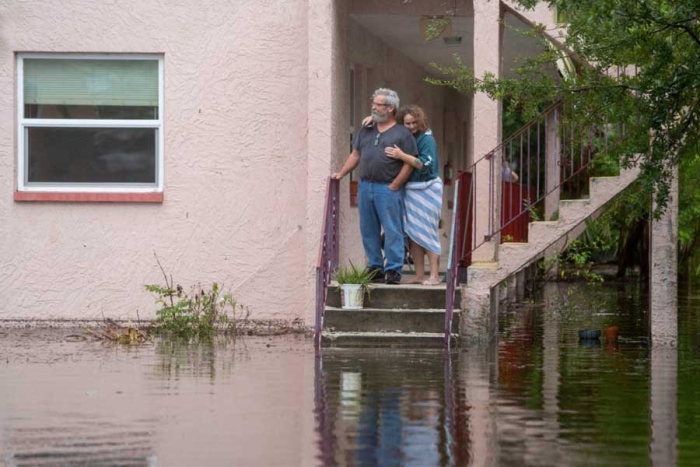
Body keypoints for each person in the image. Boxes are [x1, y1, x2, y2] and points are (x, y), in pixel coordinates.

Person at [332, 88, 417, 285]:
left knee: (392, 229)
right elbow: (355, 155)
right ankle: (375, 266)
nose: (373, 107)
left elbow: (410, 162)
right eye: (374, 103)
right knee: (368, 228)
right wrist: (342, 173)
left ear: (389, 108)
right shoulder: (367, 129)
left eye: (377, 104)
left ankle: (394, 269)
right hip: (365, 186)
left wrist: (396, 184)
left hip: (387, 188)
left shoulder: (402, 134)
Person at [366, 105, 443, 285]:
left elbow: (424, 165)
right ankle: (418, 275)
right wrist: (373, 120)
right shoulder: (407, 137)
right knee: (414, 233)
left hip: (427, 189)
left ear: (421, 121)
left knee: (428, 232)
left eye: (414, 122)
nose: (411, 126)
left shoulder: (427, 139)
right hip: (410, 190)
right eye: (407, 123)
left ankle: (434, 275)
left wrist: (401, 155)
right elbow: (385, 123)